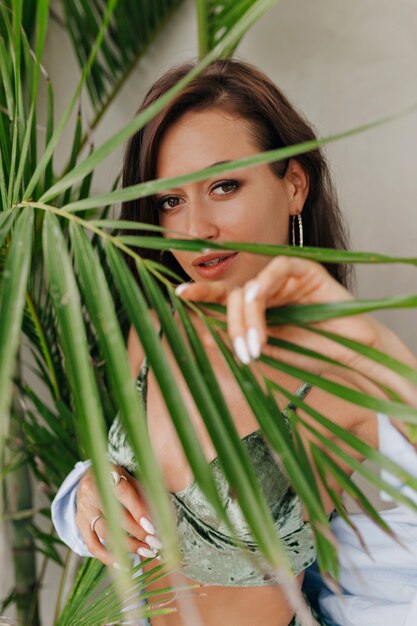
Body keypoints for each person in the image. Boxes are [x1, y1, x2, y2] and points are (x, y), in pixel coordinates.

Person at [52, 59, 417, 626]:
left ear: (293, 185)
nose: (196, 227)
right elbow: (109, 497)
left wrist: (378, 348)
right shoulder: (152, 330)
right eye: (170, 200)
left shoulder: (347, 366)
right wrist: (87, 498)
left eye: (225, 186)